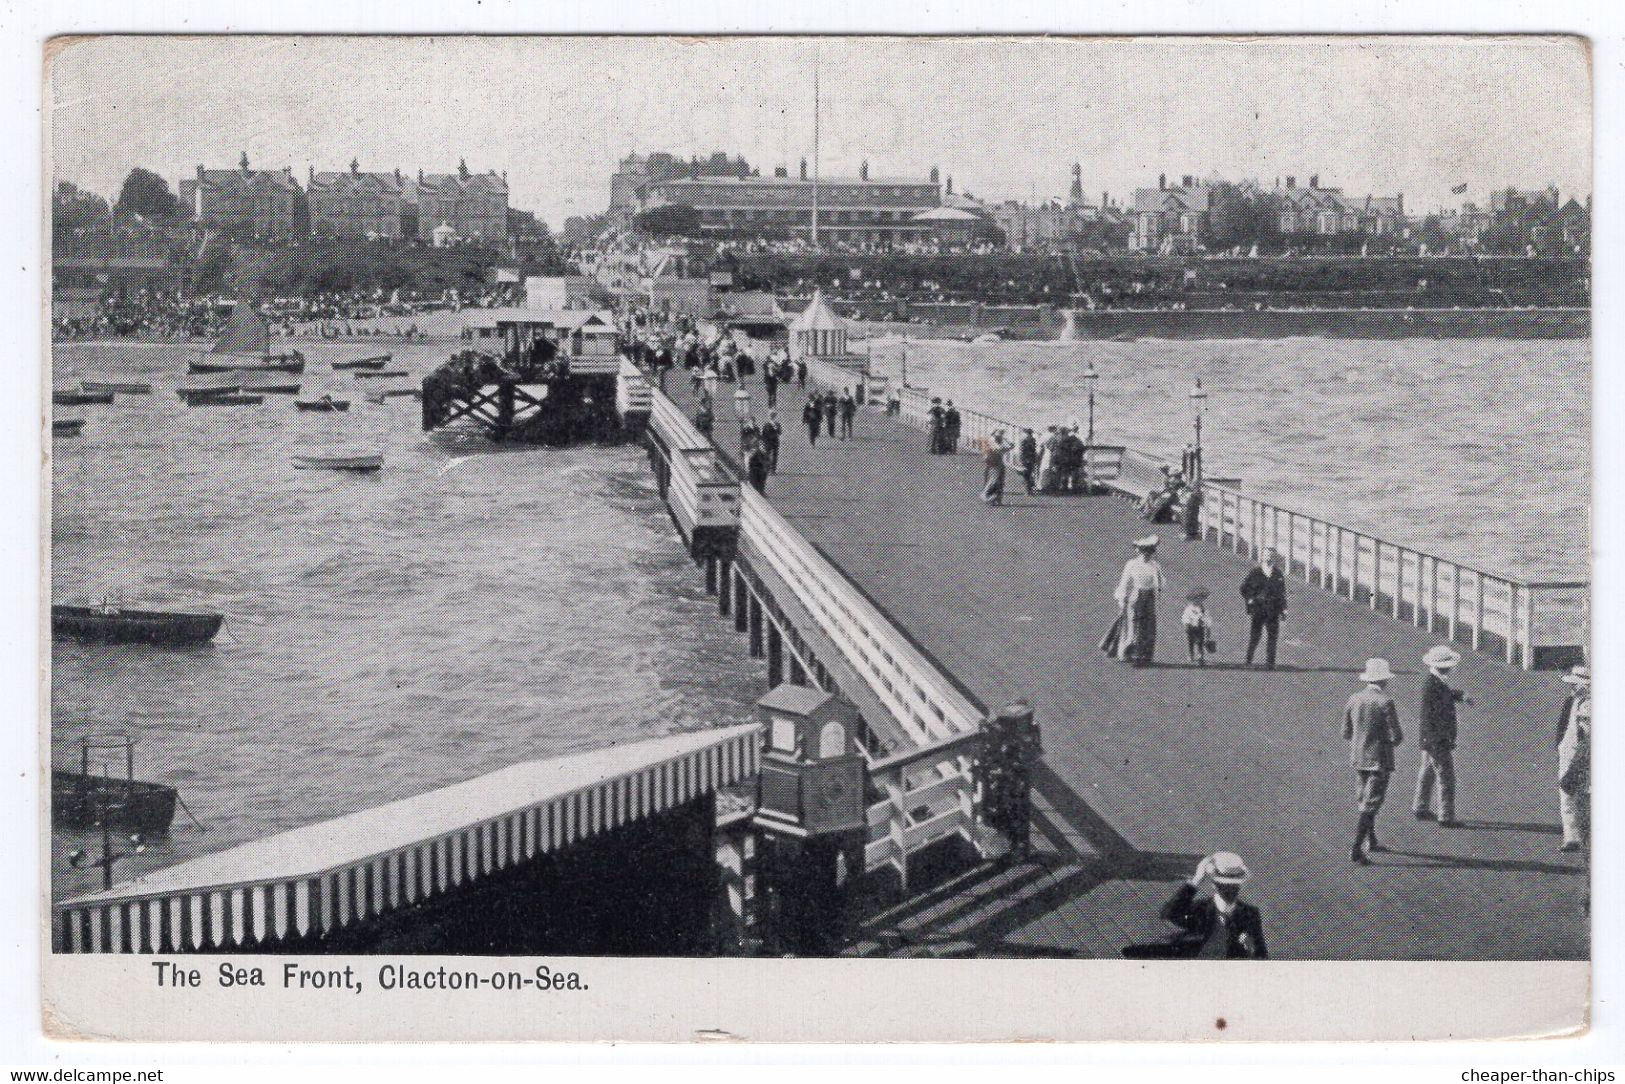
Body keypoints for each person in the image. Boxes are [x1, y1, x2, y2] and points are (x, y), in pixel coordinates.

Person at [1121, 852, 1268, 959]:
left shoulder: (1250, 914)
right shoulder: (1202, 908)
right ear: (1215, 885)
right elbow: (1169, 914)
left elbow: (1262, 956)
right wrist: (1195, 881)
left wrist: (1251, 950)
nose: (1231, 891)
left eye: (1235, 886)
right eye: (1225, 886)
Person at [1343, 657, 1404, 865]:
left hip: (1358, 757)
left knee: (1364, 800)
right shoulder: (1386, 702)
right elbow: (1397, 736)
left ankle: (1372, 839)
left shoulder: (1354, 698)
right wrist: (1386, 743)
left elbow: (1346, 732)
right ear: (1384, 680)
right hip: (1379, 759)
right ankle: (1356, 848)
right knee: (1372, 803)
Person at [1413, 645, 1466, 826]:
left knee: (1427, 771)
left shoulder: (1432, 682)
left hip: (1429, 738)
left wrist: (1459, 695)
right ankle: (1446, 815)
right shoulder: (1435, 685)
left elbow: (1444, 696)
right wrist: (1445, 739)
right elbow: (1436, 714)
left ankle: (1420, 806)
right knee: (1446, 777)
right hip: (1437, 739)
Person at [1113, 535, 1165, 667]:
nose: (1147, 554)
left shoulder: (1155, 565)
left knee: (1148, 624)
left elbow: (1160, 584)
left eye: (1150, 551)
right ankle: (1129, 652)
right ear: (1139, 551)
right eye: (1144, 551)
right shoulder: (1132, 564)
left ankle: (1145, 655)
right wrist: (1122, 598)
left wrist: (1159, 583)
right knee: (1133, 622)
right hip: (1136, 595)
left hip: (1149, 596)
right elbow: (1124, 582)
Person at [1556, 665, 1591, 852]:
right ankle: (1571, 837)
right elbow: (1563, 725)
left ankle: (1581, 835)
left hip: (1580, 754)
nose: (1573, 687)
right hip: (1567, 750)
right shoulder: (1571, 701)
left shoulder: (1588, 705)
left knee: (1580, 793)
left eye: (1576, 684)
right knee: (1566, 792)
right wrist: (1560, 745)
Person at [1240, 549, 1288, 669]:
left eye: (1271, 556)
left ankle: (1270, 663)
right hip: (1259, 609)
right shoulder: (1255, 572)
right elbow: (1243, 588)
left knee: (1273, 636)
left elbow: (1282, 593)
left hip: (1273, 609)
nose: (1268, 558)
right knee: (1255, 635)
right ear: (1262, 557)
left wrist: (1284, 609)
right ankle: (1248, 660)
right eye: (1266, 555)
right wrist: (1250, 599)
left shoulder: (1277, 574)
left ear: (1274, 558)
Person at [1182, 587, 1213, 666]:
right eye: (1196, 599)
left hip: (1200, 628)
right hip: (1191, 628)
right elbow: (1185, 617)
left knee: (1200, 642)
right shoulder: (1189, 609)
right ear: (1192, 599)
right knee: (1191, 642)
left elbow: (1207, 618)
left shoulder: (1203, 609)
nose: (1198, 601)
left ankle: (1200, 655)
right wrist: (1186, 624)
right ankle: (1191, 654)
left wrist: (1208, 626)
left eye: (1200, 599)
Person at [981, 429, 1010, 506]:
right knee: (994, 480)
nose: (1001, 436)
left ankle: (997, 499)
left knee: (1000, 481)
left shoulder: (999, 440)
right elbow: (998, 448)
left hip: (998, 462)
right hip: (993, 463)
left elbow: (1010, 445)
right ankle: (986, 495)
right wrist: (1005, 447)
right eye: (1000, 435)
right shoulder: (992, 440)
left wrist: (1005, 441)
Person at [1018, 428, 1039, 495]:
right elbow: (1034, 450)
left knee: (1026, 475)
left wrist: (1020, 460)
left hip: (1025, 459)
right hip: (1031, 459)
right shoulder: (1033, 440)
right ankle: (1030, 490)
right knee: (1030, 474)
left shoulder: (1024, 440)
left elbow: (1022, 451)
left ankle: (1027, 491)